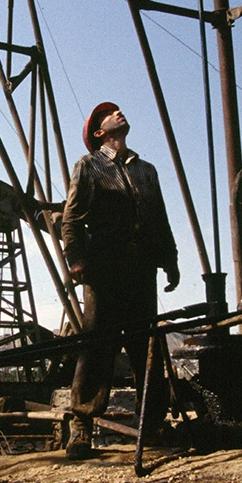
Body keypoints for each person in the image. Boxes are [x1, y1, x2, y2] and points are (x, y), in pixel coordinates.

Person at [61, 102, 180, 460]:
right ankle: (81, 426)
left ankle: (153, 425)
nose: (120, 113)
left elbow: (160, 218)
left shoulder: (147, 170)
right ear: (100, 133)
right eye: (110, 114)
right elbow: (71, 218)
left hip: (141, 269)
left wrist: (170, 260)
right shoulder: (90, 165)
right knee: (97, 345)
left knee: (147, 348)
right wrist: (76, 258)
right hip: (105, 268)